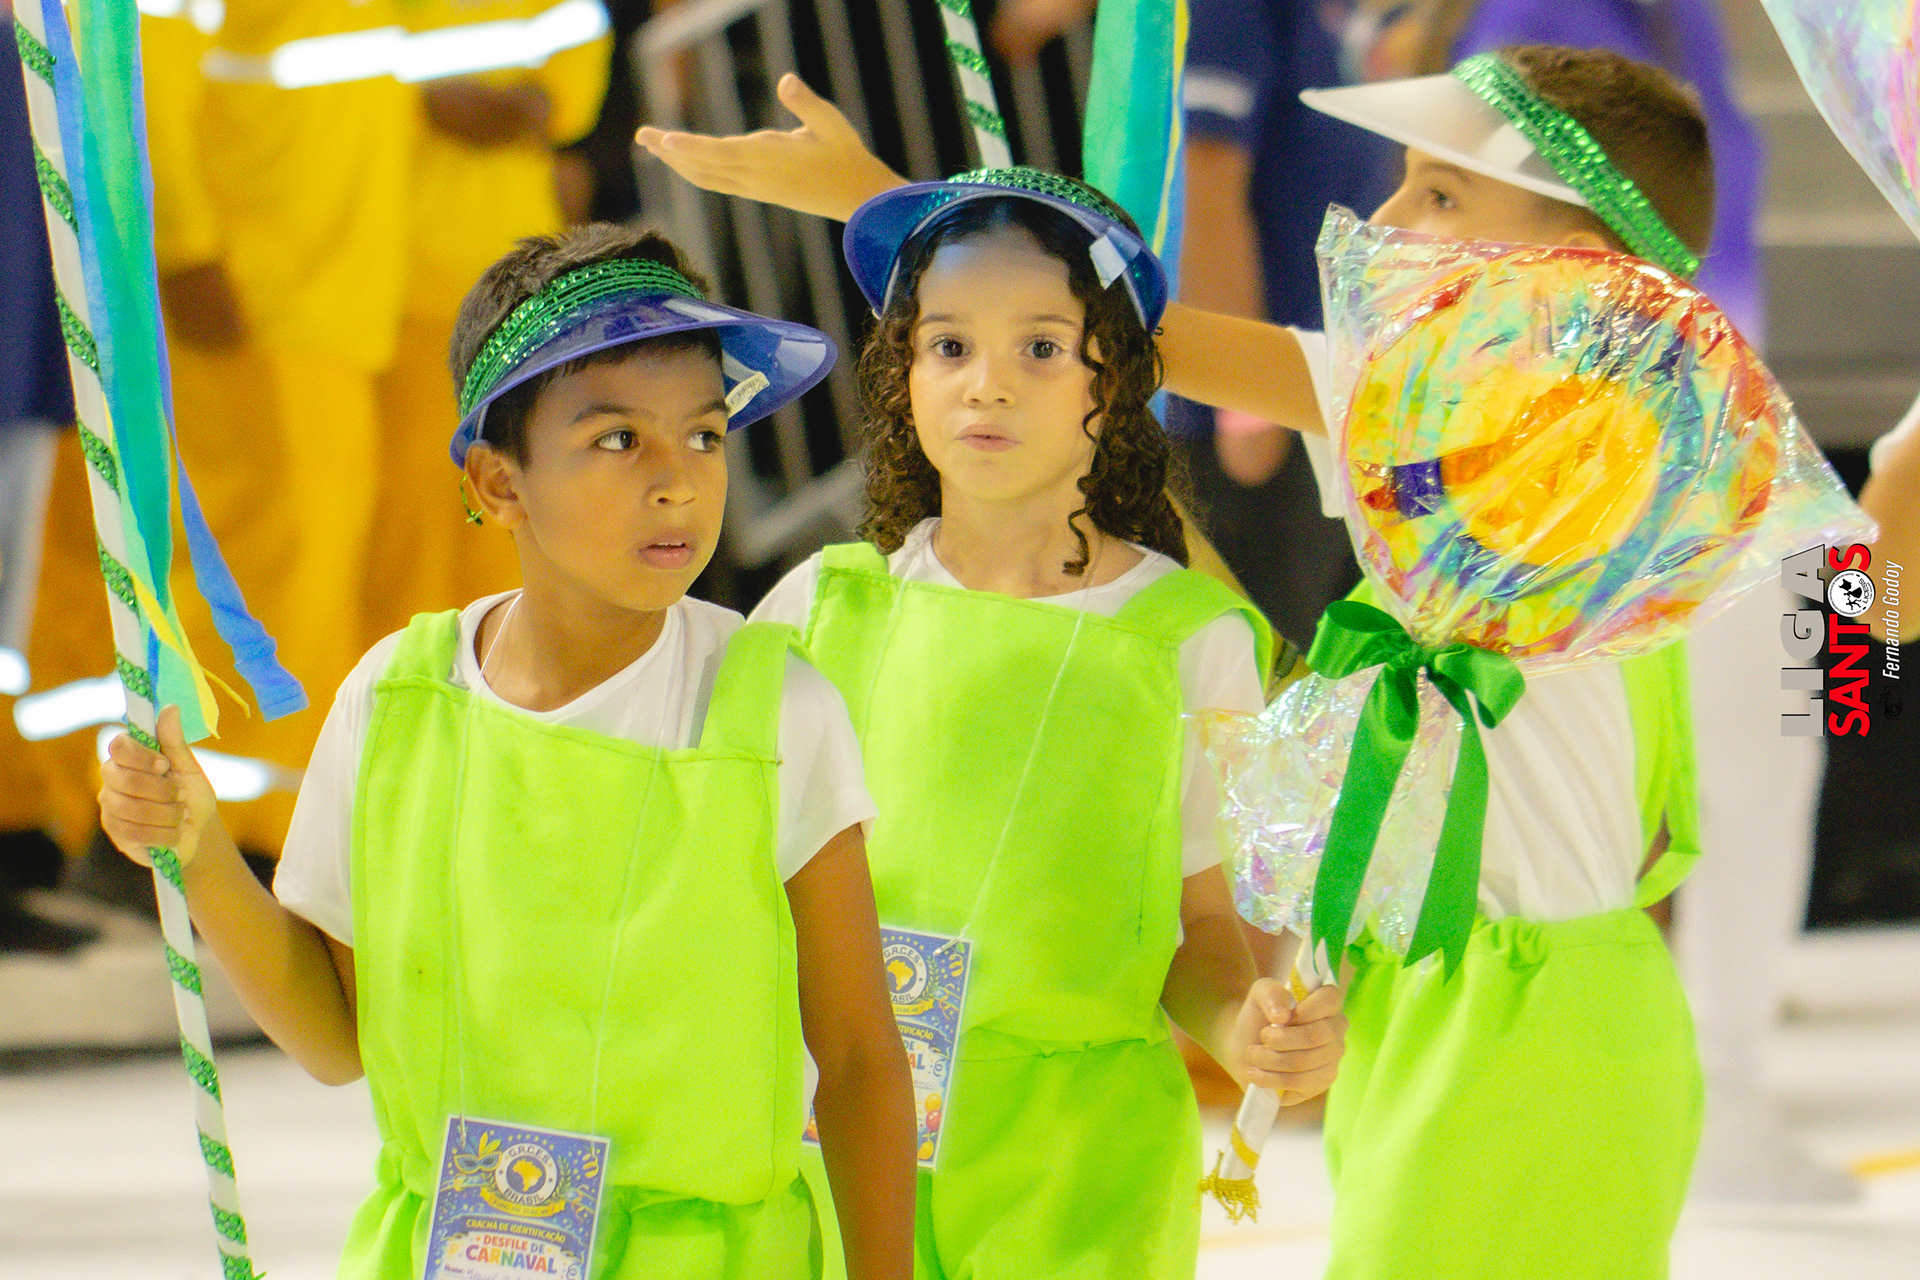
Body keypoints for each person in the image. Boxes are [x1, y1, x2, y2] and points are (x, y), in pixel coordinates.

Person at [635, 43, 1723, 1278]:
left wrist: (877, 197)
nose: (1384, 220)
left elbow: (1117, 331)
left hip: (1541, 1016)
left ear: (1574, 263)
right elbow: (1092, 335)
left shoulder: (1516, 426)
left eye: (1440, 194)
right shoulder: (1483, 431)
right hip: (1437, 987)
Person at [98, 224, 916, 1279]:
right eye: (618, 440)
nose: (677, 479)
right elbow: (336, 1041)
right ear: (498, 483)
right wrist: (200, 848)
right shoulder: (399, 700)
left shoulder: (775, 707)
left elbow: (859, 1058)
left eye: (706, 435)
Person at [731, 166, 1348, 1278]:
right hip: (834, 1145)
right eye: (950, 346)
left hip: (1078, 1170)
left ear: (1116, 382)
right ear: (902, 377)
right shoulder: (819, 610)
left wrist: (1241, 1023)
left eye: (1043, 348)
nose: (990, 386)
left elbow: (1200, 925)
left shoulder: (1189, 637)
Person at [362, 0, 614, 646]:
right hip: (409, 297)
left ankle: (500, 691)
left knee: (515, 520)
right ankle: (413, 695)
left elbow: (549, 104)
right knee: (415, 531)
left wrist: (479, 105)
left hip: (518, 302)